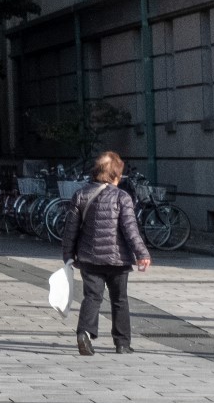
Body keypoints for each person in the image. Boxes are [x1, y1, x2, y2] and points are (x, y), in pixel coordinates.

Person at [57, 150, 151, 355]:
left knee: (92, 297)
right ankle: (122, 343)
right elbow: (130, 229)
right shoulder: (122, 197)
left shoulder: (80, 194)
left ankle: (84, 333)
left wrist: (68, 255)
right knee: (120, 300)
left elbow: (70, 228)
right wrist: (142, 253)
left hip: (89, 258)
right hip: (118, 260)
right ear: (116, 175)